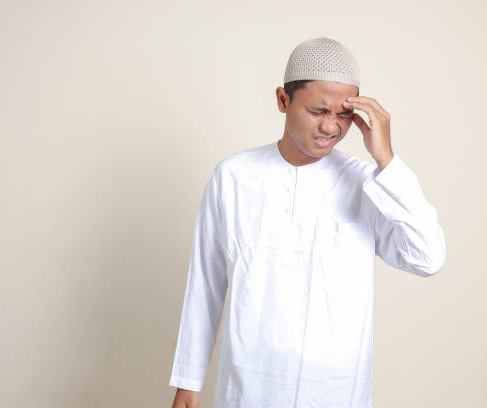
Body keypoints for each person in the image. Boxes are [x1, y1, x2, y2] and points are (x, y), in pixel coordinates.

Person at [170, 36, 446, 408]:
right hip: (250, 389)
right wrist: (188, 382)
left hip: (336, 392)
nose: (331, 127)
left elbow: (428, 258)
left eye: (344, 114)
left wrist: (387, 161)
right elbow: (205, 282)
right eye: (318, 111)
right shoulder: (233, 177)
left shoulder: (370, 184)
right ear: (283, 101)